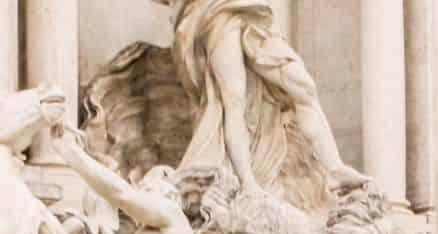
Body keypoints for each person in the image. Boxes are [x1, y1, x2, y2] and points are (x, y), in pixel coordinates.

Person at [157, 0, 371, 195]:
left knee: (304, 87)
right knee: (234, 98)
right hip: (215, 11)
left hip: (254, 12)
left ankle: (334, 168)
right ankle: (248, 183)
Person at [49, 114, 194, 234]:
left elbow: (122, 194)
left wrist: (69, 151)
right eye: (140, 187)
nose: (141, 191)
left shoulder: (172, 215)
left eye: (148, 188)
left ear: (171, 195)